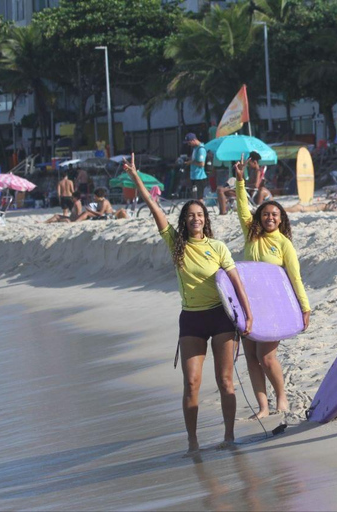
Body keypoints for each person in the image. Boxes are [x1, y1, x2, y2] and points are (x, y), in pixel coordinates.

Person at [123, 154, 253, 454]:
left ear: (206, 220)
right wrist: (135, 177)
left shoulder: (217, 247)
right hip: (192, 319)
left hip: (221, 317)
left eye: (200, 214)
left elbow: (237, 283)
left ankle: (230, 436)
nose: (196, 218)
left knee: (225, 381)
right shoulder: (176, 244)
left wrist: (248, 315)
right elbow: (153, 207)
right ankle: (193, 442)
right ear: (185, 220)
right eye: (191, 215)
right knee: (191, 384)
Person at [234, 154, 311, 418]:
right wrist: (240, 180)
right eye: (265, 214)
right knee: (251, 358)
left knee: (266, 357)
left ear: (281, 220)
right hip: (248, 305)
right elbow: (242, 209)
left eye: (274, 215)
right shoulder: (251, 234)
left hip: (273, 306)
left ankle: (281, 397)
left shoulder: (284, 245)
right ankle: (263, 407)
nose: (269, 217)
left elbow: (295, 276)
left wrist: (305, 307)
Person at [184, 133, 208, 202]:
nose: (188, 144)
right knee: (195, 197)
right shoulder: (195, 148)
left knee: (199, 198)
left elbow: (201, 163)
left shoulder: (201, 149)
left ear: (194, 140)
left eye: (189, 142)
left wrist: (190, 162)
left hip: (199, 177)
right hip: (194, 176)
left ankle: (202, 211)